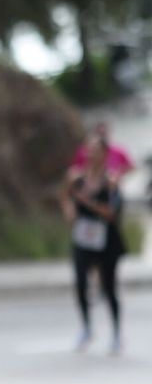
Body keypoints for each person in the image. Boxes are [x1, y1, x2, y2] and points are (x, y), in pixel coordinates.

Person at [63, 138, 126, 354]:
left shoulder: (110, 181)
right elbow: (67, 198)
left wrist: (87, 202)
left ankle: (116, 332)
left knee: (109, 287)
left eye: (96, 151)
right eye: (89, 150)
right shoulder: (77, 180)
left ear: (105, 154)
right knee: (81, 282)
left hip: (106, 240)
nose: (91, 154)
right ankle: (86, 328)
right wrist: (70, 209)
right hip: (83, 239)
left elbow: (112, 212)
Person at [68, 122, 133, 185]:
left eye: (103, 134)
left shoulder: (118, 151)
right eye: (99, 134)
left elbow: (130, 167)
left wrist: (118, 175)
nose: (102, 137)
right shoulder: (82, 151)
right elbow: (75, 168)